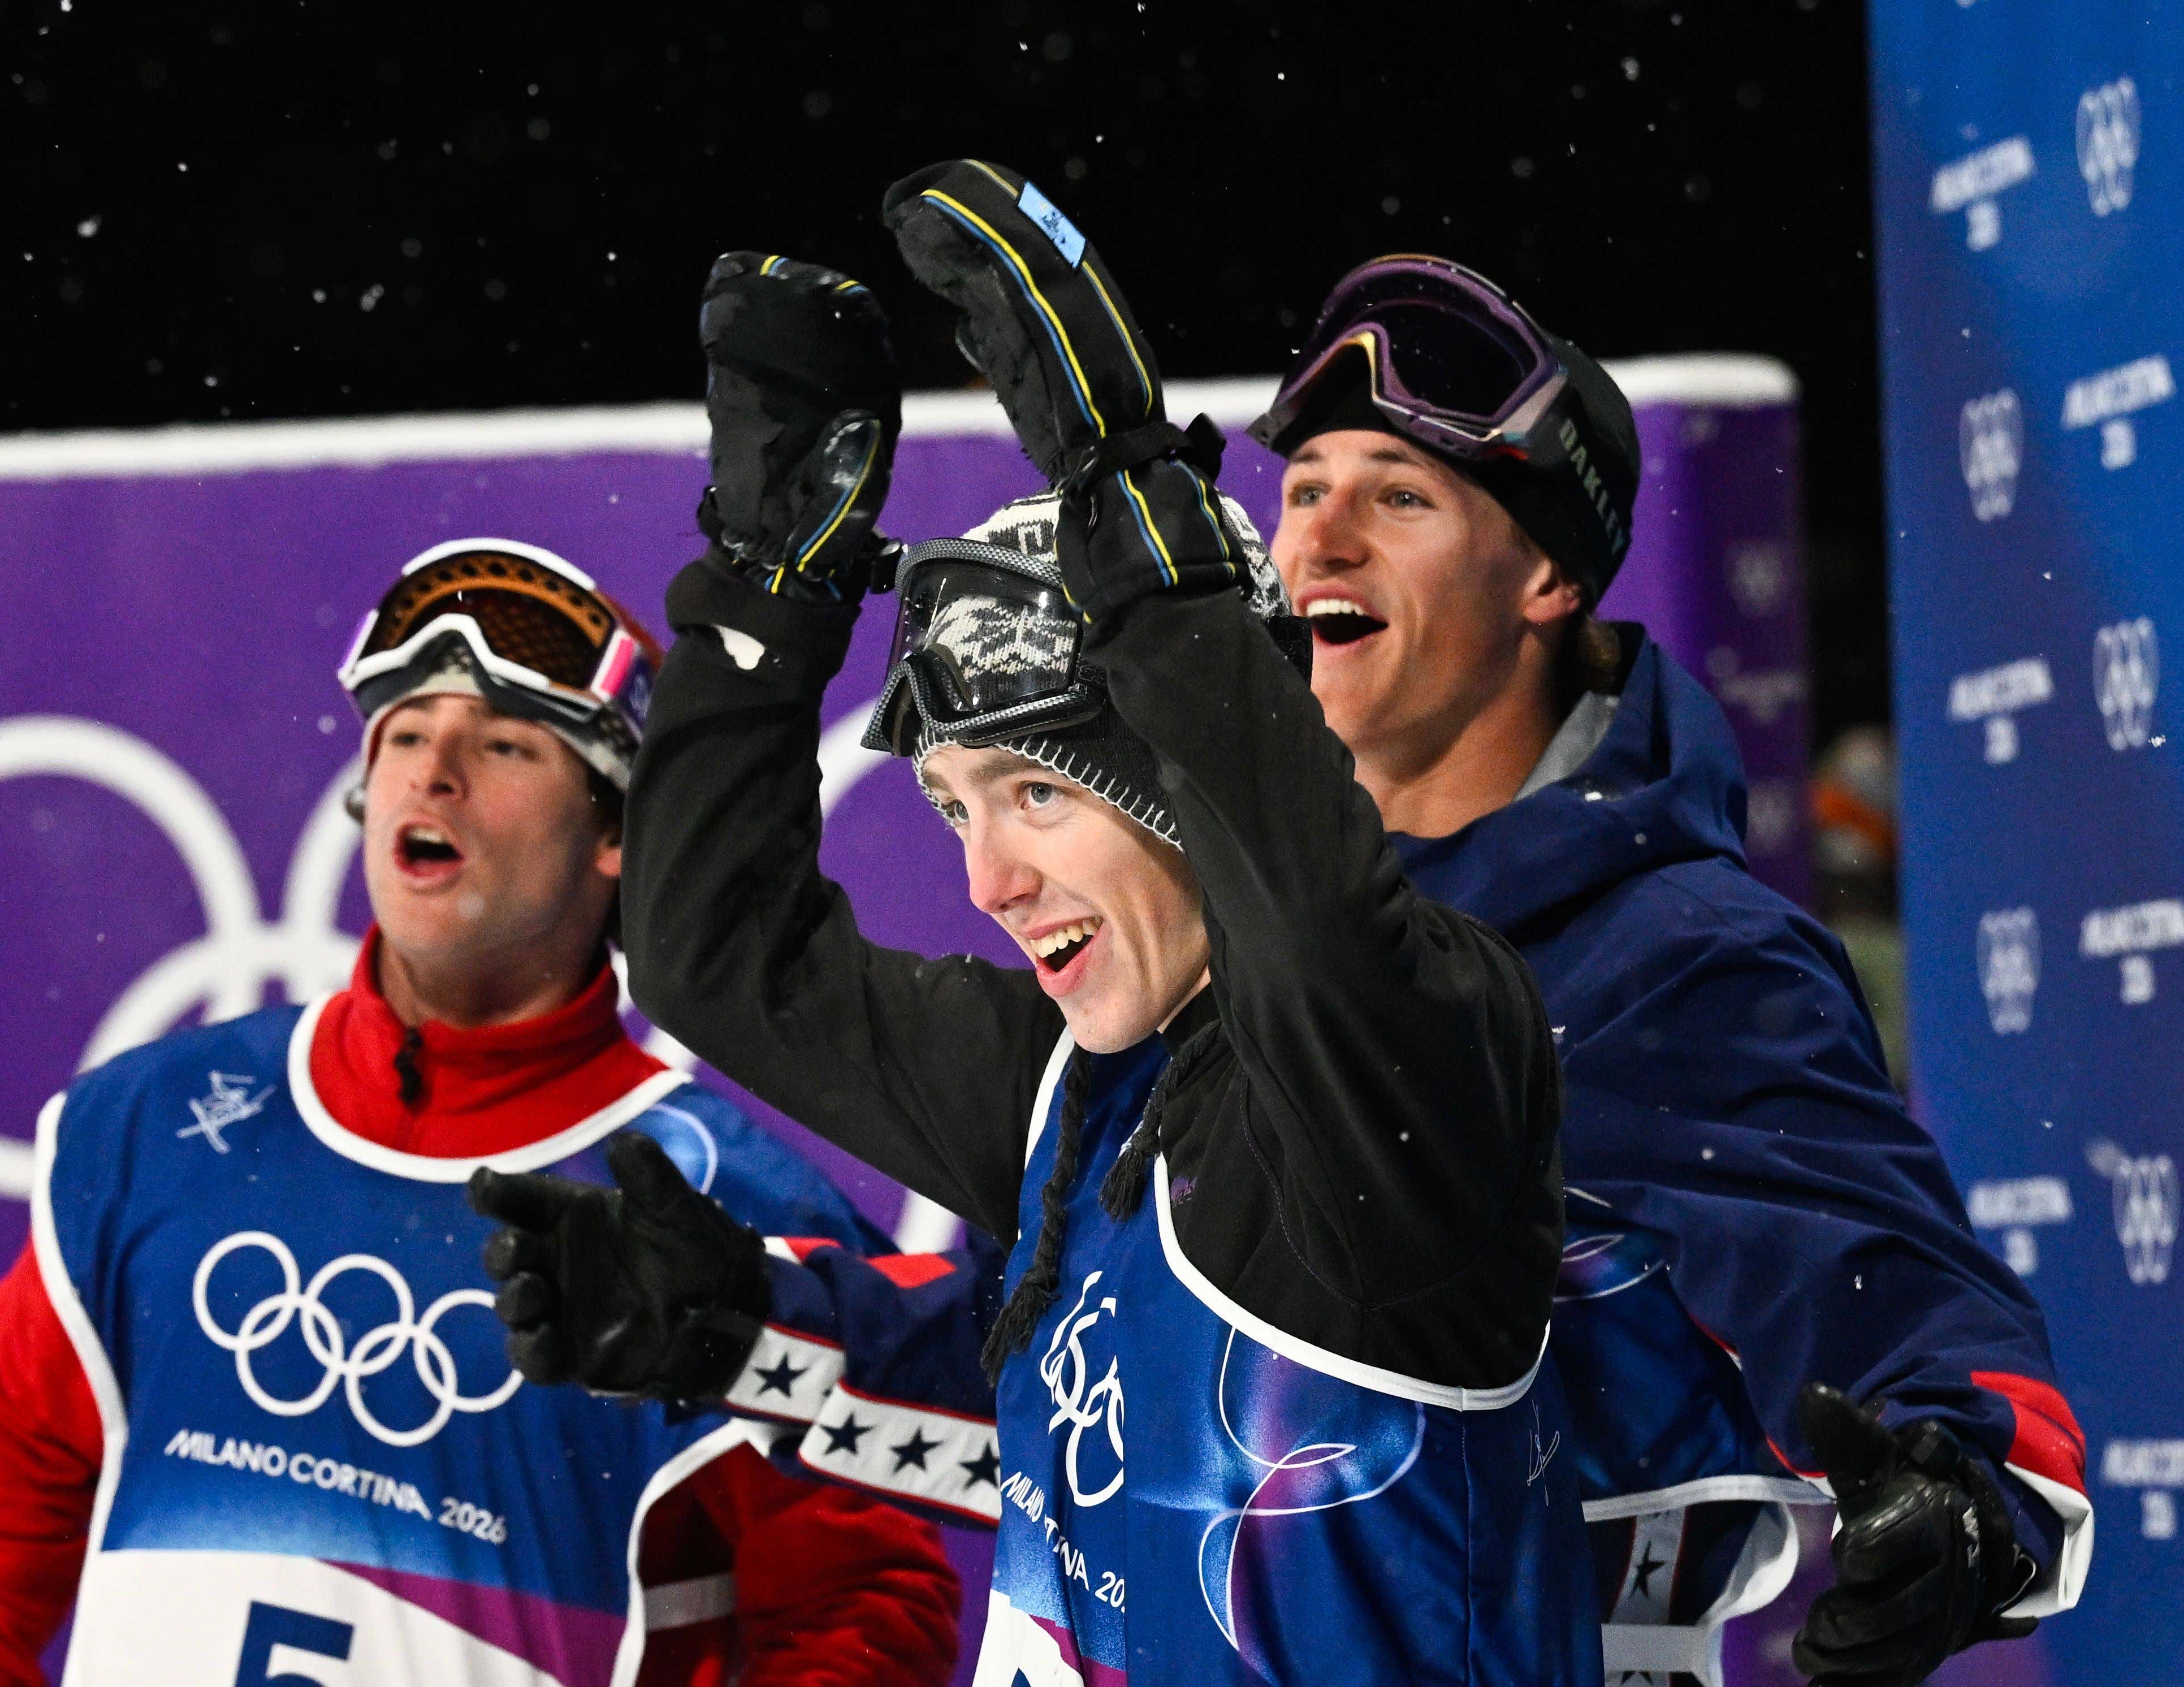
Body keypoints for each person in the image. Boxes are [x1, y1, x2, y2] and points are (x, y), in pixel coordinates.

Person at [470, 175, 1598, 1686]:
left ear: (1179, 779)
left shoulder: (1410, 1067)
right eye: (952, 809)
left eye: (1037, 794)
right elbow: (715, 957)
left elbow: (1318, 929)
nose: (988, 882)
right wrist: (766, 590)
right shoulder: (1069, 1090)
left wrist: (1122, 476)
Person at [0, 540, 961, 1686]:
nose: (432, 772)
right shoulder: (156, 1121)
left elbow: (865, 1609)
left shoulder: (732, 1221)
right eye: (402, 735)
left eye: (503, 744)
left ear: (616, 836)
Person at [1244, 254, 2090, 1686]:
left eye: (1397, 497)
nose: (1317, 538)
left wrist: (1966, 1491)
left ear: (1548, 576)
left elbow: (1897, 1300)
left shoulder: (1667, 952)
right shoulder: (1236, 930)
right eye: (1303, 488)